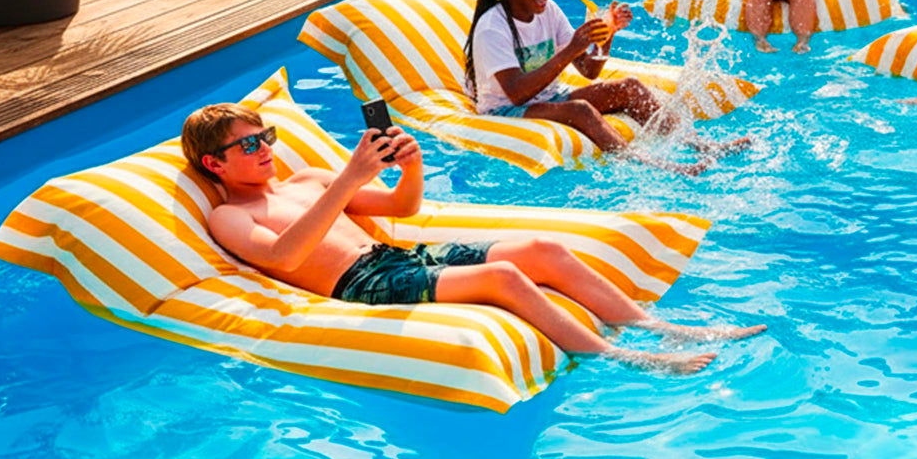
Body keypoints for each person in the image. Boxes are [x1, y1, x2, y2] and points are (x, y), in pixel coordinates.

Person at [182, 103, 765, 374]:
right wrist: (350, 178)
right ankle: (623, 357)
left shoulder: (305, 179)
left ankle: (654, 326)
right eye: (250, 145)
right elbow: (285, 255)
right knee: (504, 277)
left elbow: (401, 209)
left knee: (543, 250)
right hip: (358, 284)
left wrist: (409, 167)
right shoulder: (228, 217)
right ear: (215, 163)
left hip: (394, 256)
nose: (266, 150)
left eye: (268, 137)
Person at [462, 0, 740, 174]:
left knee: (630, 87)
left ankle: (700, 144)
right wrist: (572, 48)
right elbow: (516, 94)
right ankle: (653, 165)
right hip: (505, 110)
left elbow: (588, 71)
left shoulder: (549, 10)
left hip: (549, 97)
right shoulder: (492, 28)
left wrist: (607, 36)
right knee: (580, 109)